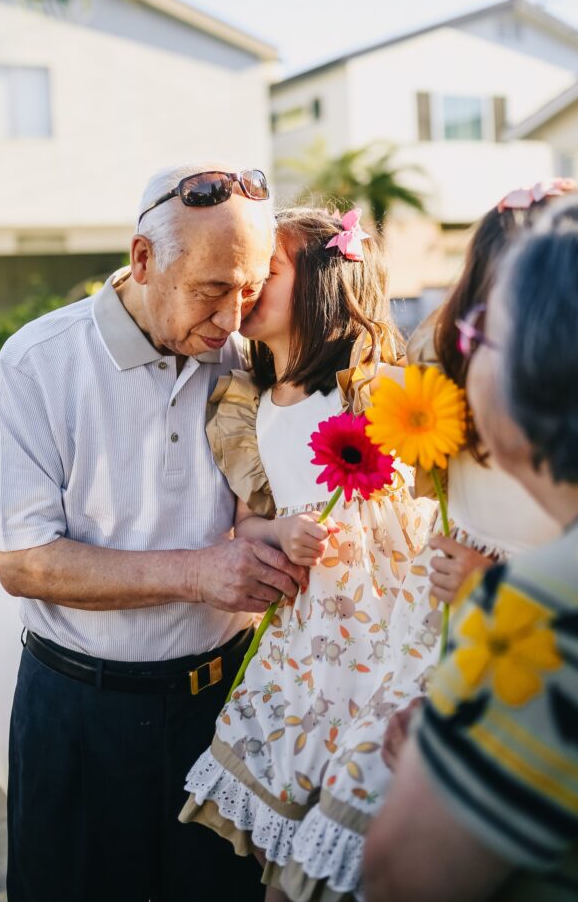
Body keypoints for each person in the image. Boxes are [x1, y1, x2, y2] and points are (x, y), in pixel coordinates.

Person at [0, 163, 308, 902]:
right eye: (212, 291)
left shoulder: (246, 354)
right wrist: (197, 573)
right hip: (81, 716)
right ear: (144, 259)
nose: (232, 318)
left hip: (225, 711)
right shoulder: (37, 363)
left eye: (248, 290)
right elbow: (22, 562)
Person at [363, 196, 578, 901]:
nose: (461, 346)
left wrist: (437, 752)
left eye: (482, 329)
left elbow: (402, 877)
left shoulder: (557, 603)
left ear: (544, 368)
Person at [179, 206, 438, 899]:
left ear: (323, 281)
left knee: (359, 810)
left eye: (271, 269)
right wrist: (281, 534)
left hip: (377, 627)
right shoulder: (250, 404)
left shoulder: (365, 389)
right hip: (308, 643)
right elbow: (249, 524)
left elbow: (421, 492)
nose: (250, 283)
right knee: (295, 827)